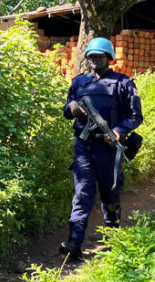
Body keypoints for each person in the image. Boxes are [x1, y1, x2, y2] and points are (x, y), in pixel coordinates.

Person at [60, 37, 143, 260]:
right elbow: (66, 110)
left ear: (109, 58)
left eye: (100, 56)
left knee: (111, 195)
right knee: (82, 194)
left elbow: (135, 116)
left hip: (110, 150)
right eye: (92, 56)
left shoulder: (124, 83)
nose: (95, 60)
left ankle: (112, 238)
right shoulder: (79, 83)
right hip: (85, 147)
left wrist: (118, 130)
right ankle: (74, 243)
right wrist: (72, 106)